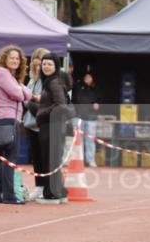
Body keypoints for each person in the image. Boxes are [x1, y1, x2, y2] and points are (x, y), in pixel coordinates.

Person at [0, 46, 31, 204]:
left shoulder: (11, 77)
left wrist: (20, 89)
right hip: (6, 120)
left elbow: (27, 93)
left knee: (7, 159)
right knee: (10, 159)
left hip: (11, 120)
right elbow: (19, 94)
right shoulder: (2, 73)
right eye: (12, 57)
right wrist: (21, 90)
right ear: (5, 58)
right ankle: (9, 195)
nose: (15, 60)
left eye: (17, 58)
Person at [33, 53, 70, 203]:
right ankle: (55, 190)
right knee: (51, 160)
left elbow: (61, 105)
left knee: (50, 160)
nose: (46, 67)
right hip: (51, 125)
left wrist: (41, 112)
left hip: (52, 126)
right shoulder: (49, 82)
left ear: (56, 67)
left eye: (50, 64)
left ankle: (52, 191)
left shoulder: (54, 83)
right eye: (44, 64)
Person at [23, 47, 50, 200]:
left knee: (45, 157)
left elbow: (39, 103)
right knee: (36, 158)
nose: (38, 67)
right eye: (35, 64)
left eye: (41, 64)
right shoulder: (32, 80)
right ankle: (39, 187)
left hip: (43, 124)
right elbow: (27, 98)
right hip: (30, 124)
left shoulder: (48, 82)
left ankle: (47, 187)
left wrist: (29, 101)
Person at [72, 69, 101, 167]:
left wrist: (97, 104)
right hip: (78, 116)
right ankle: (78, 159)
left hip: (91, 118)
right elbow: (75, 99)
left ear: (92, 79)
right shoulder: (78, 86)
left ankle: (90, 160)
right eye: (85, 77)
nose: (87, 79)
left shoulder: (96, 88)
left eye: (89, 77)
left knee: (90, 139)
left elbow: (99, 101)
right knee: (77, 139)